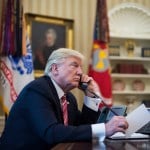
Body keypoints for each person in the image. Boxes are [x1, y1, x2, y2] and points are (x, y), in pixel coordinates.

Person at [0, 48, 128, 149]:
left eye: (80, 67)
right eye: (74, 65)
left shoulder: (69, 97)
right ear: (55, 69)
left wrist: (90, 96)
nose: (80, 72)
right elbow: (52, 133)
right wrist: (105, 128)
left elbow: (81, 128)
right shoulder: (37, 90)